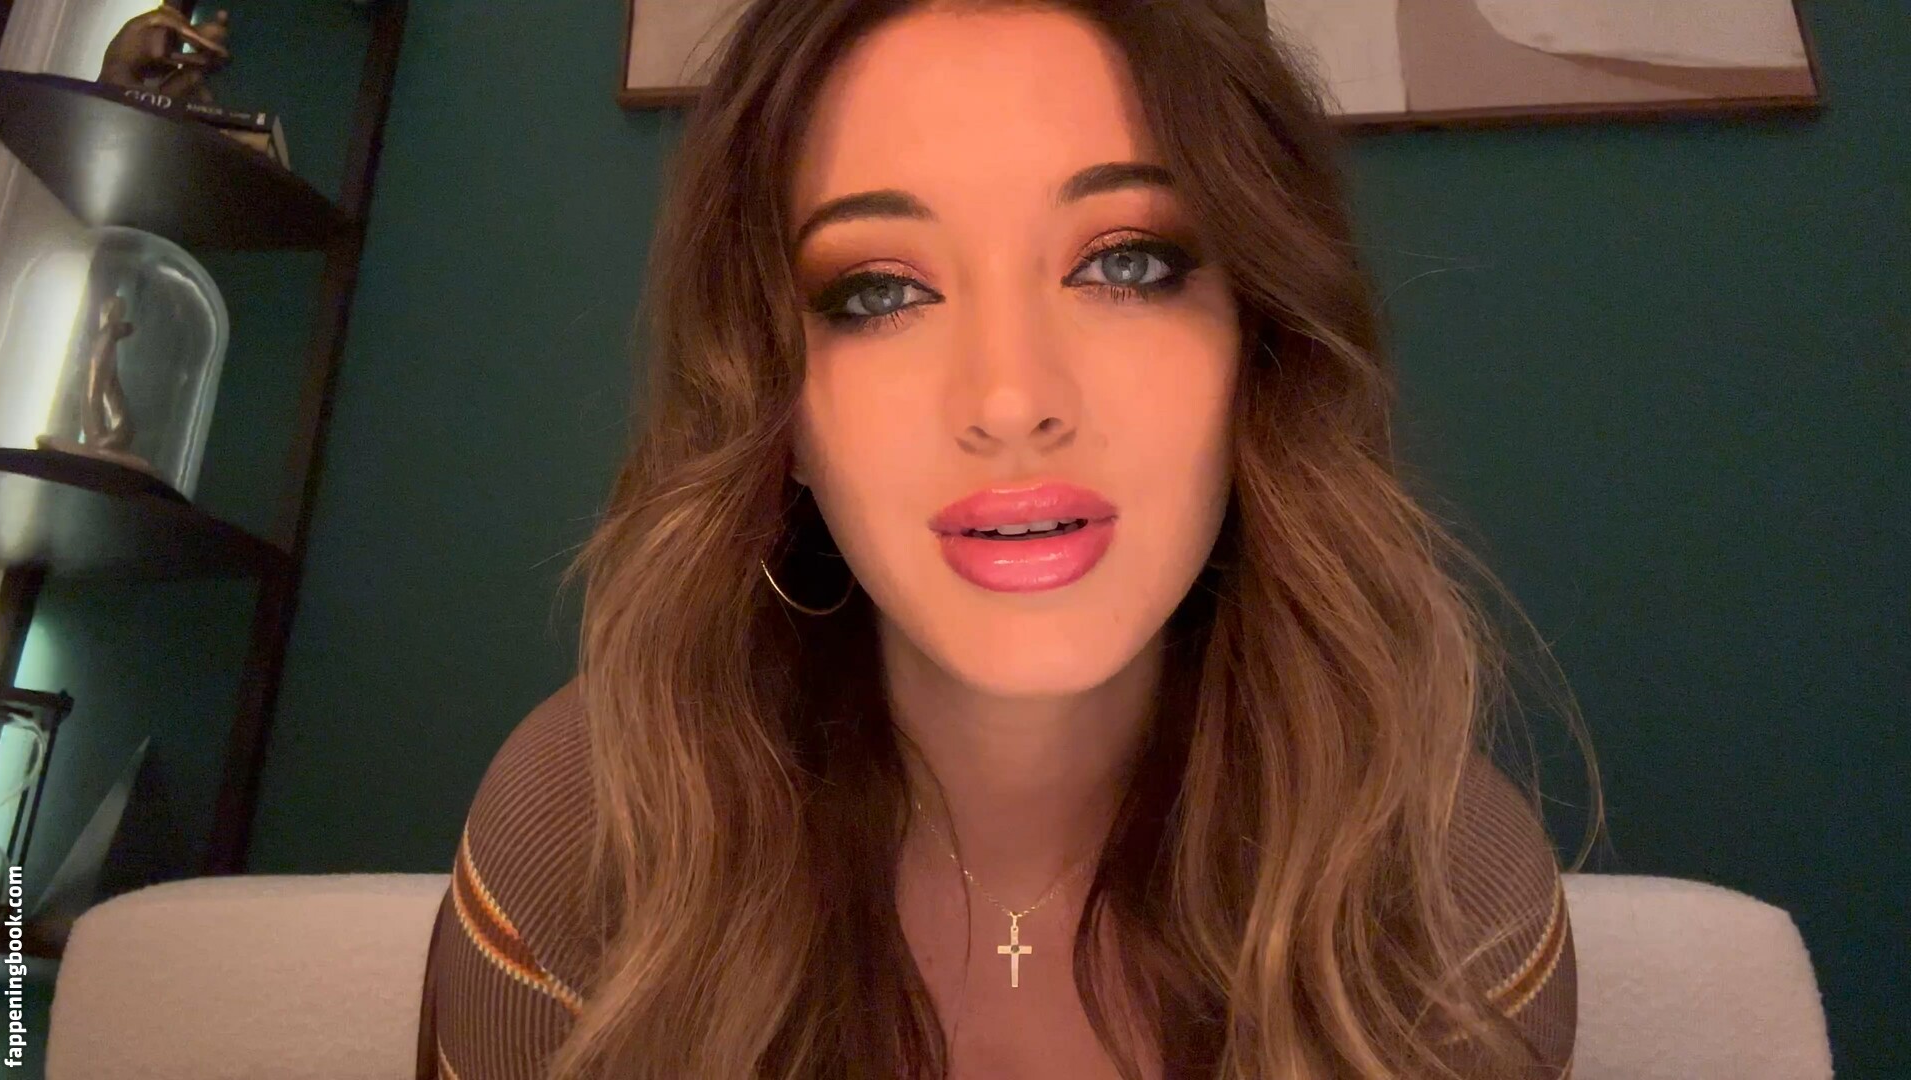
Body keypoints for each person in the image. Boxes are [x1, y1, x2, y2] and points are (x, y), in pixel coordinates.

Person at [416, 1, 1600, 1077]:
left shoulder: (1453, 899)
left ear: (1262, 349)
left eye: (1125, 263)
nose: (1010, 398)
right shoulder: (586, 837)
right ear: (775, 408)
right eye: (879, 292)